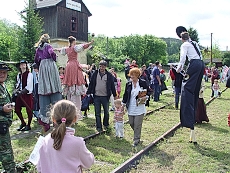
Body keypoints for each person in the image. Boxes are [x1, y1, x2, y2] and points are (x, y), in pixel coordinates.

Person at [37, 100, 94, 173]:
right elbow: (88, 163)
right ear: (75, 119)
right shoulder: (78, 143)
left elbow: (40, 167)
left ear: (53, 119)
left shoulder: (45, 140)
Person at [176, 26, 204, 144]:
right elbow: (199, 57)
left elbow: (183, 58)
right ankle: (193, 115)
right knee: (194, 91)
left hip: (194, 64)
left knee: (186, 89)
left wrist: (178, 69)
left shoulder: (184, 45)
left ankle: (188, 119)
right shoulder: (194, 43)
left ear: (181, 39)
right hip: (201, 64)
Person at [57, 36, 94, 117]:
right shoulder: (75, 47)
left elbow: (60, 50)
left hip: (69, 65)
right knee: (75, 83)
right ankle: (76, 113)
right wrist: (90, 43)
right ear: (73, 41)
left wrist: (54, 49)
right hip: (74, 65)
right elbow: (83, 46)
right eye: (75, 41)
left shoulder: (67, 48)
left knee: (70, 85)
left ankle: (71, 112)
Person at [34, 34, 62, 132]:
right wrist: (55, 57)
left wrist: (40, 64)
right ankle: (56, 122)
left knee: (44, 85)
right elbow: (52, 54)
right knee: (53, 83)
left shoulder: (38, 49)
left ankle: (45, 122)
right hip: (50, 67)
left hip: (42, 67)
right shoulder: (49, 46)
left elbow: (36, 60)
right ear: (48, 40)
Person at [122, 67, 151, 147]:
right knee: (131, 123)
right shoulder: (128, 84)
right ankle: (137, 133)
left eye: (133, 75)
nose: (131, 77)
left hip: (140, 107)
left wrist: (146, 97)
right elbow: (125, 95)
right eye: (131, 75)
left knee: (137, 124)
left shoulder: (143, 82)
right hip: (131, 107)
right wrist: (123, 105)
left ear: (138, 75)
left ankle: (136, 140)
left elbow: (148, 91)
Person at [86, 60, 117, 132]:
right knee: (97, 112)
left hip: (105, 96)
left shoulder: (109, 75)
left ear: (105, 67)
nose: (101, 68)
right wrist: (88, 92)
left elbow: (112, 85)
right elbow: (91, 83)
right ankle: (98, 126)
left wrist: (115, 95)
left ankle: (106, 124)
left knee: (106, 111)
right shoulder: (95, 73)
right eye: (100, 66)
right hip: (96, 96)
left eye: (103, 66)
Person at [0, 62, 16, 173]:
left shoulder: (3, 85)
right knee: (6, 155)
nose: (2, 74)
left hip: (4, 125)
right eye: (0, 72)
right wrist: (2, 109)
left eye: (4, 72)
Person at [15, 60, 34, 131]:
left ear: (26, 65)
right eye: (21, 64)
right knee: (17, 109)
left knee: (29, 110)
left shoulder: (30, 74)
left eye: (24, 64)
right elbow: (18, 84)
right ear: (19, 66)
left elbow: (29, 86)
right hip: (20, 95)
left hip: (27, 94)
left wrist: (22, 91)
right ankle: (23, 122)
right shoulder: (19, 75)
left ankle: (28, 125)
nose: (23, 65)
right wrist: (16, 90)